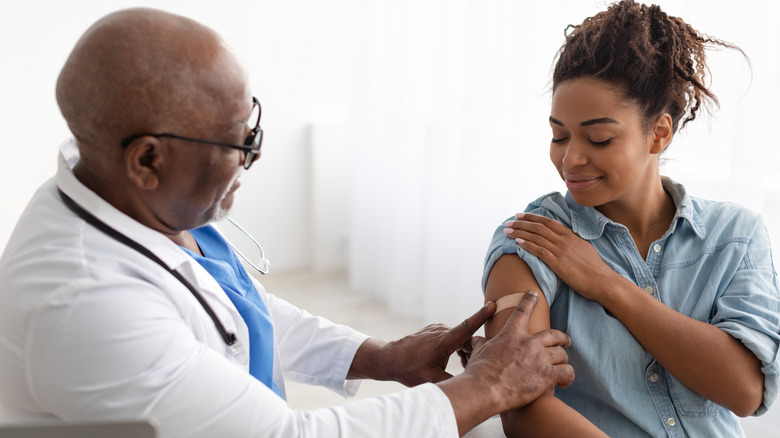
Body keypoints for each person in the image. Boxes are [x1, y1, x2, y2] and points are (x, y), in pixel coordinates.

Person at [0, 8, 576, 438]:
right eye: (237, 141)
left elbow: (234, 311)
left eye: (252, 124)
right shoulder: (85, 303)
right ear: (148, 160)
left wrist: (379, 356)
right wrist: (485, 387)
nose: (255, 153)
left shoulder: (129, 197)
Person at [482, 1, 780, 437]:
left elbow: (744, 390)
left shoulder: (735, 237)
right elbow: (521, 408)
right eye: (558, 135)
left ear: (658, 133)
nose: (571, 158)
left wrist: (608, 286)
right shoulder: (531, 239)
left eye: (599, 138)